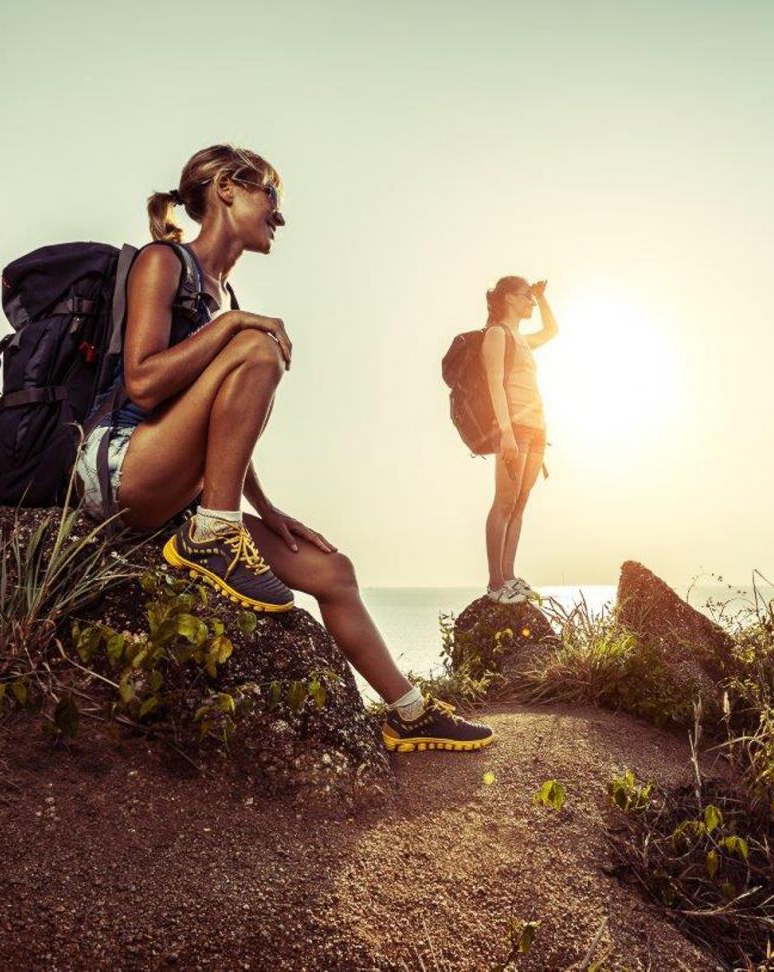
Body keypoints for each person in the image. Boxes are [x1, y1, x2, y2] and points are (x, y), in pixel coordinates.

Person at [73, 144, 493, 753]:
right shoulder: (166, 264)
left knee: (331, 571)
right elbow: (141, 381)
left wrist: (266, 509)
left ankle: (408, 712)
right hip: (124, 467)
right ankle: (215, 536)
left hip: (181, 498)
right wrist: (234, 329)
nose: (280, 215)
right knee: (259, 347)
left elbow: (220, 431)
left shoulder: (229, 302)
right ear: (225, 190)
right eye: (271, 194)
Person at [481, 276, 558, 605]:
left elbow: (551, 331)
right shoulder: (497, 335)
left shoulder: (521, 339)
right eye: (525, 295)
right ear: (508, 298)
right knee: (504, 502)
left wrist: (542, 299)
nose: (529, 300)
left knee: (520, 502)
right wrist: (506, 433)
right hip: (514, 429)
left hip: (537, 427)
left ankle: (510, 576)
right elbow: (495, 384)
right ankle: (496, 582)